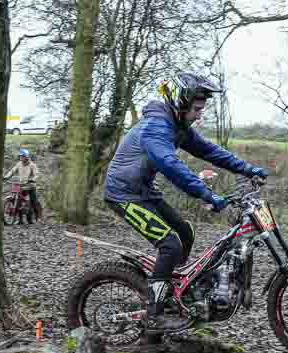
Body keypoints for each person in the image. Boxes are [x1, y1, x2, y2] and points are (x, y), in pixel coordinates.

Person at [103, 72, 267, 332]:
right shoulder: (156, 128)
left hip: (144, 191)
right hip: (123, 195)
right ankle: (154, 314)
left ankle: (175, 291)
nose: (200, 114)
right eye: (198, 108)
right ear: (181, 102)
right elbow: (171, 166)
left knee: (185, 232)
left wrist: (249, 169)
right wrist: (207, 194)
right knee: (170, 245)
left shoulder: (177, 127)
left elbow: (211, 151)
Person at [4, 148, 41, 222]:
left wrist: (33, 179)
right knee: (18, 200)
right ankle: (20, 220)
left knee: (34, 201)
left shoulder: (32, 165)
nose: (21, 158)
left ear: (27, 156)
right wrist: (6, 177)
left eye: (23, 156)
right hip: (21, 185)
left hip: (30, 185)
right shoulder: (19, 164)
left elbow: (37, 174)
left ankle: (38, 217)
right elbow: (12, 171)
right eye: (20, 156)